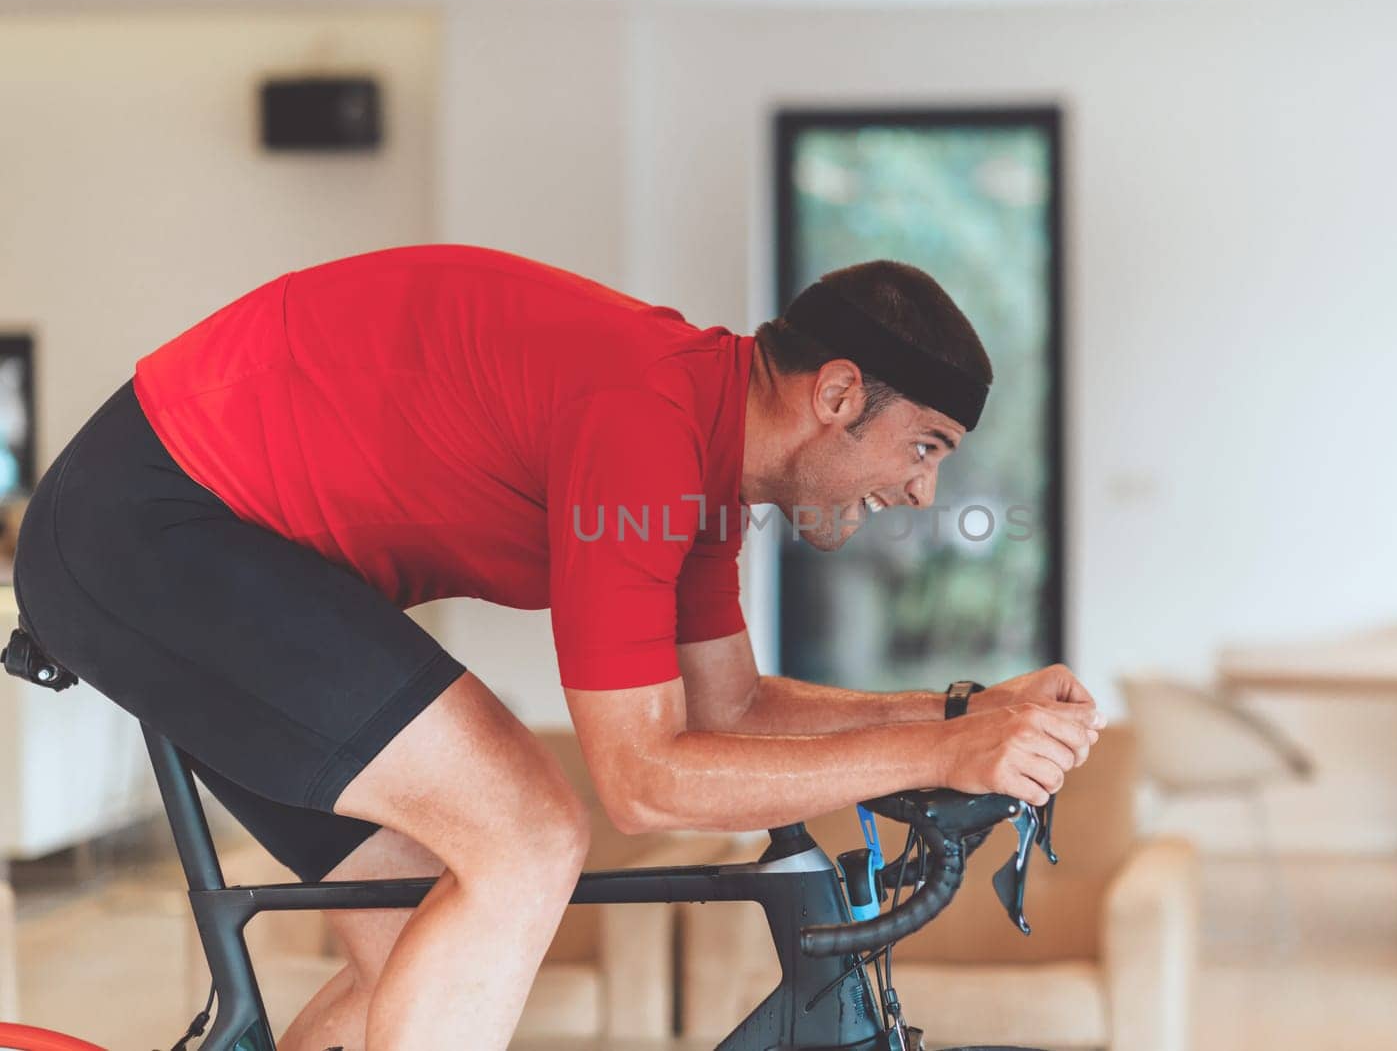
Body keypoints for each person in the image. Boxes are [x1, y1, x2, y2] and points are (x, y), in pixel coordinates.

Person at [12, 245, 1103, 1051]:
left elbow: (723, 715)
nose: (923, 490)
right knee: (528, 830)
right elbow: (643, 777)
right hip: (154, 521)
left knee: (430, 937)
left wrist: (953, 718)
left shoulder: (705, 465)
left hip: (205, 543)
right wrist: (937, 757)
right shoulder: (645, 423)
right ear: (836, 395)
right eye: (924, 447)